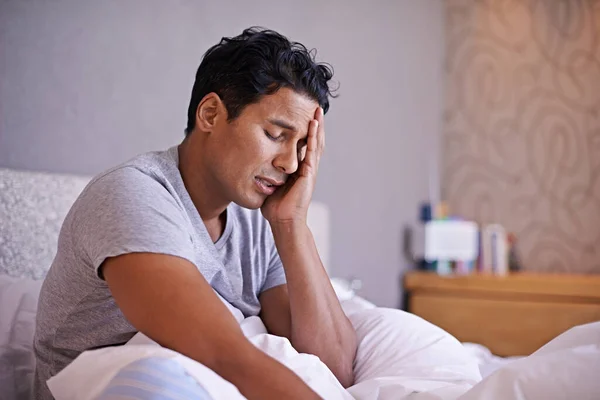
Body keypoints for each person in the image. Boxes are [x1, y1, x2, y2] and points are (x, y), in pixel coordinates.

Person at [33, 27, 357, 400]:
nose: (288, 163)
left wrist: (291, 225)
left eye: (302, 146)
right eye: (275, 134)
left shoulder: (260, 224)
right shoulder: (133, 195)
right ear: (210, 113)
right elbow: (226, 356)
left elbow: (335, 371)